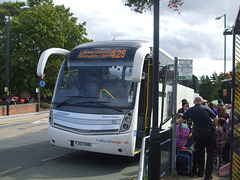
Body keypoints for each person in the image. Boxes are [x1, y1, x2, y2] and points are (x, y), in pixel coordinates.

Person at [177, 96, 218, 180]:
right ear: (202, 102)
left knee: (200, 153)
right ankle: (208, 175)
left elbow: (180, 120)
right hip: (210, 132)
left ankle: (200, 173)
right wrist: (215, 126)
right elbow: (216, 118)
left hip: (200, 134)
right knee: (210, 154)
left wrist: (173, 125)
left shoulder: (190, 110)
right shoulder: (207, 108)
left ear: (194, 101)